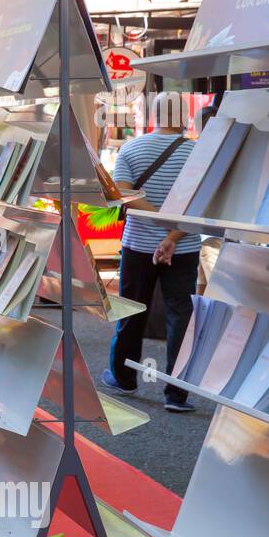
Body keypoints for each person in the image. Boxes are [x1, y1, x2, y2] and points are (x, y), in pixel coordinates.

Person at [103, 92, 200, 413]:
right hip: (183, 246)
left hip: (138, 246)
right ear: (185, 117)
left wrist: (158, 226)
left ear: (153, 116)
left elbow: (125, 195)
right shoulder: (199, 153)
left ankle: (124, 378)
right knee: (180, 317)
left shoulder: (132, 148)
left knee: (131, 310)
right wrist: (172, 234)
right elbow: (202, 202)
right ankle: (177, 394)